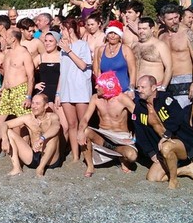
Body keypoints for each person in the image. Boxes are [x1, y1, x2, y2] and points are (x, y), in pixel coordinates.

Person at [132, 75, 193, 188]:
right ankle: (186, 169)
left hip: (181, 142)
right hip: (162, 149)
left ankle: (173, 181)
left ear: (154, 87)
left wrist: (166, 135)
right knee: (152, 178)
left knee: (166, 147)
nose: (139, 90)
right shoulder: (139, 107)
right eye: (138, 87)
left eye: (143, 87)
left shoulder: (165, 99)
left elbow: (178, 117)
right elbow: (140, 133)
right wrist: (151, 153)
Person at [78, 72, 138, 176]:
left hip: (121, 137)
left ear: (108, 86)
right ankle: (90, 166)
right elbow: (85, 118)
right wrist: (80, 131)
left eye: (99, 85)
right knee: (85, 131)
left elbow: (139, 119)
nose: (95, 86)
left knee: (132, 156)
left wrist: (134, 138)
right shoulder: (95, 98)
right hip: (103, 135)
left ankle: (120, 156)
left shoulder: (122, 98)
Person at [0, 28, 34, 159]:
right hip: (7, 92)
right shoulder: (8, 52)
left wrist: (28, 96)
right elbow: (7, 73)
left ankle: (27, 153)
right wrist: (2, 86)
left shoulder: (24, 53)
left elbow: (31, 77)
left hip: (20, 90)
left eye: (7, 36)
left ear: (13, 38)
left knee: (24, 123)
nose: (4, 38)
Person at [55, 17, 92, 162]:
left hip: (81, 88)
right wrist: (58, 92)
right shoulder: (62, 49)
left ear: (69, 29)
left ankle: (86, 154)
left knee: (83, 124)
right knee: (71, 124)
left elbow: (83, 65)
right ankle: (75, 156)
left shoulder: (83, 45)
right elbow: (62, 73)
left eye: (62, 29)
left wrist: (69, 51)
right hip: (66, 89)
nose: (61, 32)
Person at [4, 93, 62, 176]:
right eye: (33, 103)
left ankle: (40, 168)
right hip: (33, 156)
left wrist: (42, 138)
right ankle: (16, 168)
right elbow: (4, 125)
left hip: (50, 159)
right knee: (8, 132)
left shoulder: (53, 117)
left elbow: (56, 127)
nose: (34, 106)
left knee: (53, 135)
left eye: (37, 104)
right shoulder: (28, 118)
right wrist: (5, 140)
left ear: (46, 106)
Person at [159, 4, 193, 107]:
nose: (174, 21)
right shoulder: (161, 36)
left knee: (183, 116)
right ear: (163, 20)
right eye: (170, 19)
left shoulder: (188, 34)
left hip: (185, 79)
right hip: (167, 81)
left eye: (176, 17)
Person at [93, 21, 136, 94]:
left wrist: (131, 89)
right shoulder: (101, 50)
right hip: (106, 91)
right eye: (110, 33)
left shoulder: (126, 49)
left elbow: (132, 70)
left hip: (123, 91)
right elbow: (98, 71)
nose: (112, 36)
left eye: (115, 33)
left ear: (120, 36)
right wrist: (99, 85)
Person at [133, 17, 172, 88]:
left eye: (144, 29)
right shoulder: (134, 45)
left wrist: (163, 87)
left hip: (155, 88)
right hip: (137, 89)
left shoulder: (160, 45)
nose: (141, 31)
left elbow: (169, 68)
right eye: (139, 28)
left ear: (152, 29)